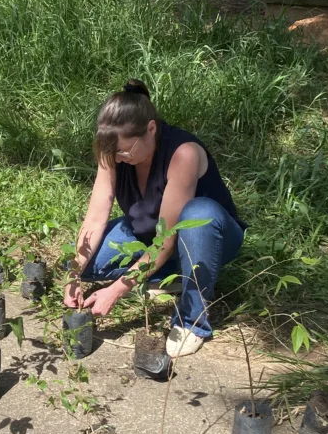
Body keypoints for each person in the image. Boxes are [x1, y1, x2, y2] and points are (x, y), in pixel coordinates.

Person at [63, 79, 246, 358]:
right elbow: (95, 218)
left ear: (151, 129)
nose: (118, 158)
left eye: (124, 151)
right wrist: (73, 274)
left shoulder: (183, 154)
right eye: (113, 153)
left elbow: (166, 239)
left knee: (199, 213)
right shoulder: (112, 151)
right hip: (146, 233)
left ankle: (192, 320)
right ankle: (167, 277)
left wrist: (115, 291)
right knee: (87, 265)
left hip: (206, 236)